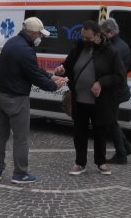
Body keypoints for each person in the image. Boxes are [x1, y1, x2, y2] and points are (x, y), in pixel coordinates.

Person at [0, 17, 68, 184]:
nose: (41, 37)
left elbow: (33, 70)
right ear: (33, 33)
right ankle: (20, 173)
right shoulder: (26, 50)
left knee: (1, 135)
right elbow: (34, 76)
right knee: (20, 138)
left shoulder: (11, 43)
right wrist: (55, 86)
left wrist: (50, 76)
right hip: (16, 99)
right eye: (40, 34)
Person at [54, 20, 126, 177]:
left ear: (98, 35)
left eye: (88, 38)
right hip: (79, 99)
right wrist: (61, 69)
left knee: (100, 132)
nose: (84, 40)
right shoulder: (78, 48)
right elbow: (68, 66)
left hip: (100, 102)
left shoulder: (111, 52)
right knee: (79, 133)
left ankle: (101, 162)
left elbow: (120, 77)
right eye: (83, 37)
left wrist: (101, 82)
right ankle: (80, 163)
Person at [100, 18, 131, 164]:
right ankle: (125, 147)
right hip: (119, 89)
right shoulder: (123, 45)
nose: (100, 36)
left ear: (111, 32)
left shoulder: (114, 48)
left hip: (113, 91)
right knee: (111, 121)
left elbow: (111, 71)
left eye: (103, 33)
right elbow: (130, 66)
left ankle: (122, 153)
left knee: (111, 122)